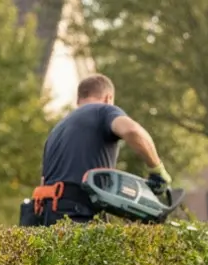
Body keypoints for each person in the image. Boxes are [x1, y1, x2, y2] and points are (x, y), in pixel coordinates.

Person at [34, 74, 170, 225]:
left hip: (50, 214)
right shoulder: (103, 111)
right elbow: (132, 131)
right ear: (108, 98)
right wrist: (157, 168)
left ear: (78, 100)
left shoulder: (57, 130)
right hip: (80, 213)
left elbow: (43, 182)